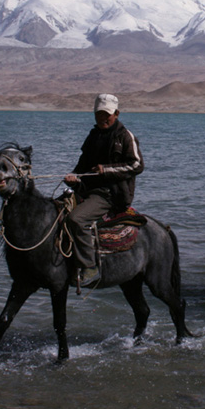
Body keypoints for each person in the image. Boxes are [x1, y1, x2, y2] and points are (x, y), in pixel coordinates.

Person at [64, 93, 144, 287]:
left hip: (111, 194)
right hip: (89, 190)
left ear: (116, 114)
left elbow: (137, 166)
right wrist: (74, 178)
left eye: (106, 114)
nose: (102, 118)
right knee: (54, 211)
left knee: (76, 219)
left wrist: (106, 170)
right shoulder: (93, 136)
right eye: (99, 114)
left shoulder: (125, 136)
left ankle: (90, 266)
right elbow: (82, 166)